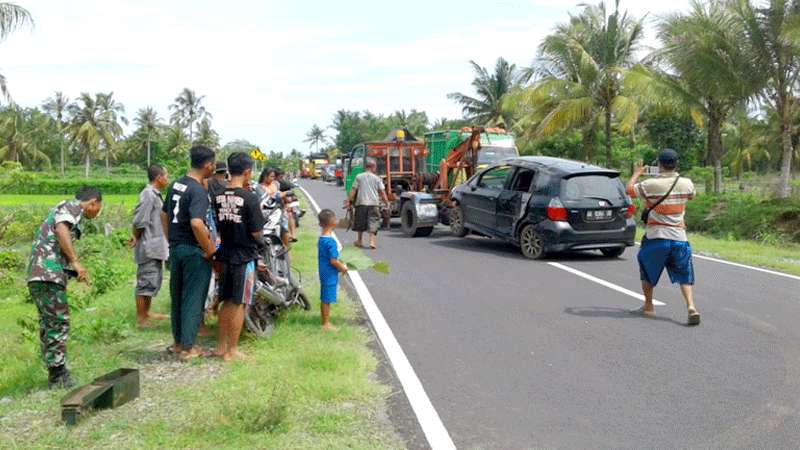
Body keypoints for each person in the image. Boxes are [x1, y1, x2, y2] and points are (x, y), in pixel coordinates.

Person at [27, 186, 103, 389]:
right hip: (47, 274)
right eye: (98, 208)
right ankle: (57, 375)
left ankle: (56, 371)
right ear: (93, 202)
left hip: (40, 274)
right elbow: (61, 229)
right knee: (58, 322)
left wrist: (72, 270)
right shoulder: (69, 207)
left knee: (49, 323)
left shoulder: (66, 210)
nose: (97, 212)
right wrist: (76, 262)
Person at [627, 148, 700, 326]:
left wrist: (637, 174)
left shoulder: (650, 184)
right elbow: (691, 196)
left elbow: (629, 190)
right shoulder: (687, 183)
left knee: (647, 270)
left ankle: (649, 306)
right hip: (679, 237)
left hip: (656, 237)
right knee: (685, 273)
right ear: (676, 164)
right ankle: (691, 307)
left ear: (659, 164)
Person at [162, 145, 217, 360]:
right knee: (194, 297)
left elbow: (164, 215)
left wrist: (173, 240)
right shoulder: (197, 191)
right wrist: (210, 250)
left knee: (177, 296)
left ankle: (177, 343)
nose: (214, 168)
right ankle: (188, 347)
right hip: (194, 252)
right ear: (207, 165)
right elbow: (196, 223)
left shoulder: (176, 184)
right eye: (213, 164)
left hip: (176, 249)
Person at [212, 152, 266, 361]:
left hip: (224, 254)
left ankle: (221, 346)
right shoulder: (249, 198)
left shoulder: (218, 196)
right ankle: (232, 351)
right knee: (240, 302)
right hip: (244, 257)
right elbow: (256, 233)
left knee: (226, 300)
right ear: (247, 172)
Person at [130, 164, 170, 328]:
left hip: (155, 244)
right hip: (148, 244)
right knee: (145, 281)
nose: (167, 179)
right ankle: (141, 318)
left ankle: (147, 312)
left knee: (152, 279)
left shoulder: (155, 194)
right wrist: (136, 237)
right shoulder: (148, 194)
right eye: (166, 175)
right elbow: (140, 221)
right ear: (159, 177)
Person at [345, 157, 389, 249]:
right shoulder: (377, 178)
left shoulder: (359, 177)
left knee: (360, 222)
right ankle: (372, 241)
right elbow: (382, 192)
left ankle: (359, 241)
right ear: (373, 167)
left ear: (366, 167)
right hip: (374, 203)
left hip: (361, 203)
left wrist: (349, 201)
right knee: (373, 221)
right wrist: (386, 203)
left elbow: (353, 190)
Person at [317, 209, 347, 331]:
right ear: (331, 223)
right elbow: (333, 261)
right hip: (329, 273)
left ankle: (325, 321)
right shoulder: (331, 242)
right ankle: (325, 324)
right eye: (335, 219)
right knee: (326, 298)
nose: (337, 221)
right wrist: (342, 268)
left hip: (324, 270)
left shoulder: (322, 238)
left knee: (325, 296)